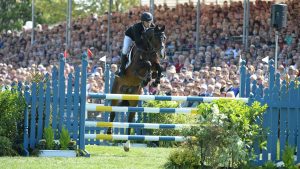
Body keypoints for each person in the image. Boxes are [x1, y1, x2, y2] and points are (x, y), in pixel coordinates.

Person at [118, 12, 155, 77]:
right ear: (143, 22)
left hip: (141, 40)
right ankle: (122, 69)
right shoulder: (137, 27)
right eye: (147, 22)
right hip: (130, 36)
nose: (149, 24)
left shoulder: (152, 26)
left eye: (150, 21)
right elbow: (138, 42)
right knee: (125, 49)